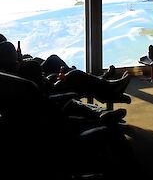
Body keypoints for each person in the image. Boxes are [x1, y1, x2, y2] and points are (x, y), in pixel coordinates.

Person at [0, 39, 130, 123]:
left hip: (34, 80)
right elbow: (32, 86)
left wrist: (23, 60)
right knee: (74, 75)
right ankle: (107, 89)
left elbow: (15, 68)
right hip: (43, 90)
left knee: (53, 59)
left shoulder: (6, 62)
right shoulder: (11, 77)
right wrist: (52, 79)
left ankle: (102, 83)